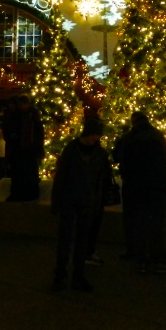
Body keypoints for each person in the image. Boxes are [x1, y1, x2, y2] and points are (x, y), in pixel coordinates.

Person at [50, 117, 111, 291]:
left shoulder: (100, 153)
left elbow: (102, 179)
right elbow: (61, 177)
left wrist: (99, 201)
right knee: (66, 239)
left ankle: (78, 275)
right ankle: (60, 273)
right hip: (70, 199)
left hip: (88, 202)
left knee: (82, 241)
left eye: (97, 135)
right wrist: (57, 202)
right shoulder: (72, 149)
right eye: (93, 134)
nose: (95, 138)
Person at [116, 111, 166, 274]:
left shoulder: (129, 138)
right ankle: (158, 257)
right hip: (156, 187)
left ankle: (139, 256)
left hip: (134, 187)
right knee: (156, 223)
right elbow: (165, 160)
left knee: (137, 222)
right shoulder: (157, 137)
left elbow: (119, 157)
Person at [3, 94, 44, 202]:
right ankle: (19, 193)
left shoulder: (32, 116)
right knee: (19, 172)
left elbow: (38, 133)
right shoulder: (17, 116)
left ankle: (30, 193)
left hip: (29, 147)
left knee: (29, 171)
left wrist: (38, 147)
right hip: (19, 148)